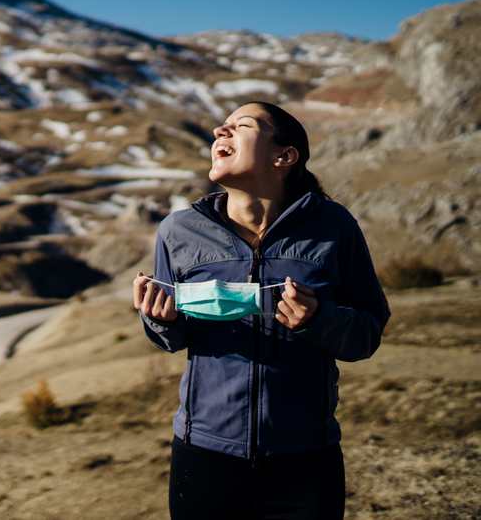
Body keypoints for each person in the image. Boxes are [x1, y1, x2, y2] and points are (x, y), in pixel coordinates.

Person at [134, 101, 390, 520]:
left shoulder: (334, 227)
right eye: (222, 126)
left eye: (242, 125)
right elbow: (173, 340)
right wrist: (161, 319)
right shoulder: (178, 230)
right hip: (204, 455)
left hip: (306, 458)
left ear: (284, 156)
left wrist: (317, 319)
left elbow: (367, 334)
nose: (221, 130)